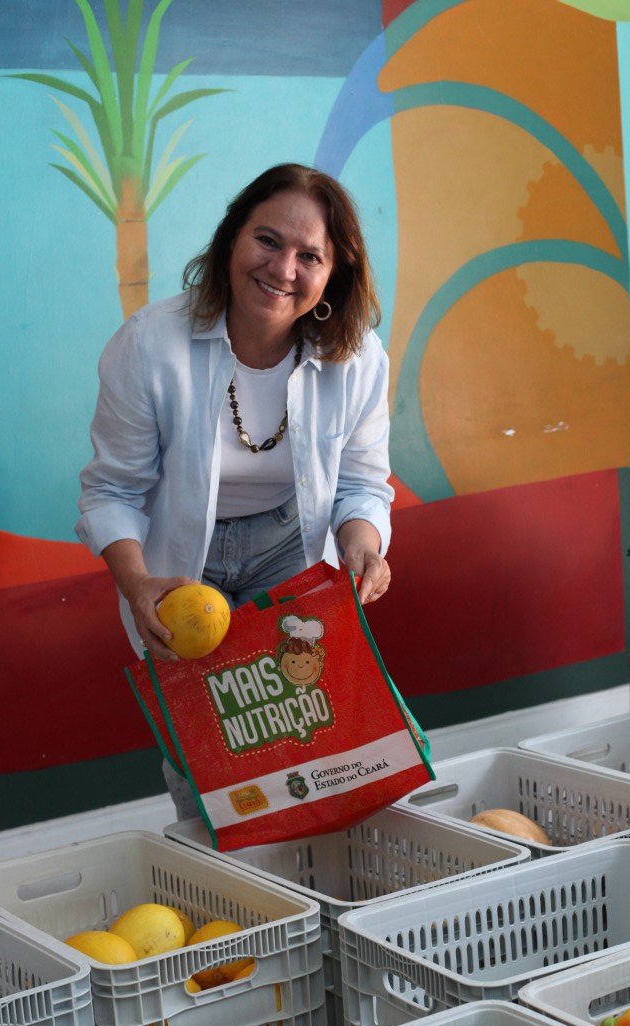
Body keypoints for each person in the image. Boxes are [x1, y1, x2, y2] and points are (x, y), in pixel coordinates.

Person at [75, 162, 394, 818]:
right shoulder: (148, 346)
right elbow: (112, 491)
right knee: (204, 762)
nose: (283, 270)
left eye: (311, 256)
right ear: (231, 241)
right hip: (178, 561)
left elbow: (362, 482)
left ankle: (304, 888)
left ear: (335, 274)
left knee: (307, 735)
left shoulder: (358, 356)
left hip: (289, 545)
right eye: (268, 241)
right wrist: (138, 586)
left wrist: (362, 544)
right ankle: (226, 890)